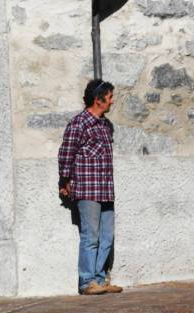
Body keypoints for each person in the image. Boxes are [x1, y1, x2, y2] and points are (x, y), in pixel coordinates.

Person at [58, 79, 123, 295]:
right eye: (110, 97)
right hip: (87, 189)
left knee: (107, 236)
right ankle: (87, 282)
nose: (112, 101)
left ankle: (101, 279)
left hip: (105, 189)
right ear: (98, 99)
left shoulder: (106, 125)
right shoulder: (79, 123)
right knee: (90, 236)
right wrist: (64, 180)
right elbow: (66, 153)